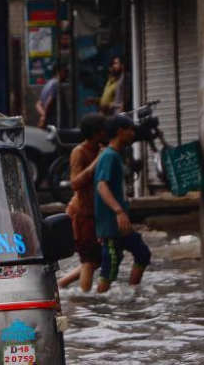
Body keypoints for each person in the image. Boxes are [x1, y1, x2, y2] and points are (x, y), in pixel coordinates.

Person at [93, 114, 150, 293]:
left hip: (120, 223)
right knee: (110, 266)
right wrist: (119, 211)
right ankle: (97, 304)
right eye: (130, 129)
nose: (133, 133)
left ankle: (133, 293)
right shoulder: (109, 156)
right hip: (112, 224)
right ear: (120, 131)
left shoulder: (116, 155)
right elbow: (102, 186)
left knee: (142, 254)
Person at [59, 113, 108, 292]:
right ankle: (84, 304)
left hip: (96, 214)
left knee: (97, 261)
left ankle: (61, 284)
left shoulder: (103, 148)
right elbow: (75, 183)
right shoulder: (79, 152)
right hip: (81, 215)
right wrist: (97, 161)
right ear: (95, 133)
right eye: (104, 130)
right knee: (88, 261)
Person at [35, 64, 68, 128]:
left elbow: (38, 104)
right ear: (58, 72)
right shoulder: (57, 85)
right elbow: (49, 101)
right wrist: (45, 117)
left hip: (50, 123)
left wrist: (43, 115)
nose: (66, 74)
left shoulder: (47, 85)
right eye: (65, 72)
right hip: (56, 123)